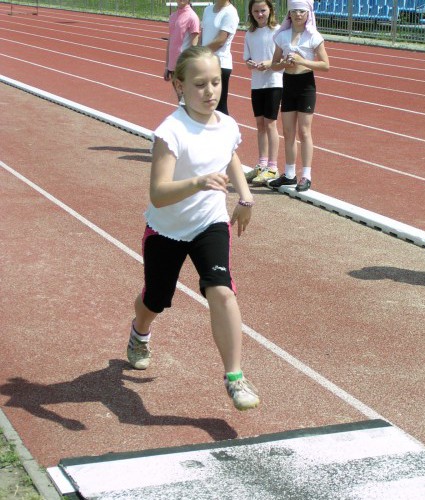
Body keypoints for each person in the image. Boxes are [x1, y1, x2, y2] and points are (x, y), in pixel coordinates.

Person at [127, 46, 260, 412]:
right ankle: (140, 334)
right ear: (179, 86)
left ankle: (235, 377)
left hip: (209, 224)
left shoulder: (227, 125)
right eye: (199, 84)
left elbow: (229, 154)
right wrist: (199, 182)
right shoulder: (171, 132)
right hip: (166, 229)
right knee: (155, 298)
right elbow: (159, 193)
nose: (210, 91)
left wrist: (245, 197)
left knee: (222, 292)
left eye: (216, 82)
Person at [268, 0, 329, 192]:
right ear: (289, 14)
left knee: (304, 131)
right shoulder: (283, 36)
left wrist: (303, 61)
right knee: (288, 131)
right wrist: (284, 63)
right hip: (289, 84)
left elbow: (326, 64)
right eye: (294, 11)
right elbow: (274, 64)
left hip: (305, 85)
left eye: (302, 11)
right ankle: (289, 174)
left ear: (308, 13)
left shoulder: (313, 36)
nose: (298, 15)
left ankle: (306, 175)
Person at [243, 0, 283, 186]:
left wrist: (269, 63)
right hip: (257, 84)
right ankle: (261, 164)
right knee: (260, 124)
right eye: (256, 11)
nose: (260, 14)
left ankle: (273, 167)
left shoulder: (278, 31)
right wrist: (251, 63)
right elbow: (247, 58)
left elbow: (282, 58)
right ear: (251, 12)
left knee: (270, 124)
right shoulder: (250, 34)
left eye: (263, 10)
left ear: (270, 10)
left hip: (274, 82)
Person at [200, 0, 239, 115]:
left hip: (220, 64)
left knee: (219, 107)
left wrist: (199, 53)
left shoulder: (230, 12)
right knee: (205, 104)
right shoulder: (207, 10)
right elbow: (203, 36)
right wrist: (197, 54)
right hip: (204, 62)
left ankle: (226, 132)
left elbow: (220, 41)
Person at [164, 0, 200, 98]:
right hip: (173, 66)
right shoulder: (173, 16)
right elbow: (170, 41)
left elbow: (194, 46)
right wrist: (167, 66)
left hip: (184, 66)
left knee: (186, 99)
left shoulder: (192, 17)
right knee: (180, 99)